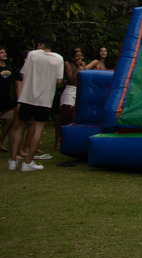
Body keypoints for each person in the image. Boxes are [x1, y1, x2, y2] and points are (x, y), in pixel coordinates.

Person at [7, 38, 64, 172]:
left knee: (20, 127)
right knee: (38, 129)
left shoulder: (32, 55)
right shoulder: (58, 58)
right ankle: (28, 162)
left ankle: (13, 160)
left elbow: (23, 73)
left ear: (42, 45)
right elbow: (59, 80)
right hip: (44, 100)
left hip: (27, 97)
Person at [54, 47, 84, 151]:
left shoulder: (83, 65)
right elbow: (70, 79)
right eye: (77, 56)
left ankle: (69, 139)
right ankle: (57, 141)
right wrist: (77, 68)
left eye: (81, 56)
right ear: (72, 57)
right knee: (64, 116)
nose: (80, 58)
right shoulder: (68, 64)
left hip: (79, 90)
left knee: (73, 117)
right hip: (70, 90)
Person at [0, 47, 19, 152]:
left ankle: (1, 142)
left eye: (5, 52)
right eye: (1, 52)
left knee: (9, 121)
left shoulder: (9, 68)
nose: (4, 54)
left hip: (6, 99)